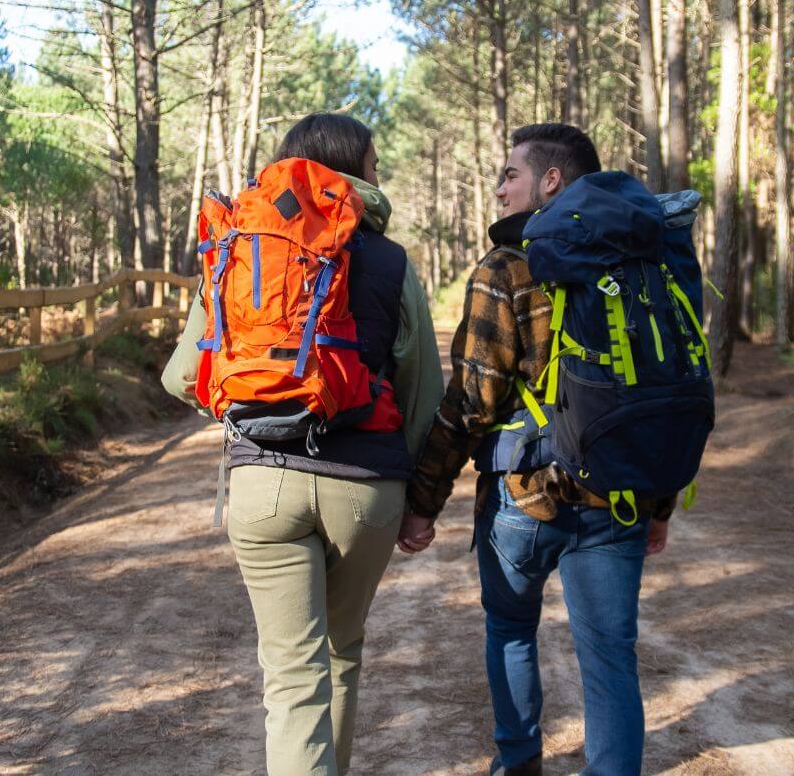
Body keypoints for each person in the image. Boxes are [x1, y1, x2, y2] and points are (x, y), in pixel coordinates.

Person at [161, 113, 442, 776]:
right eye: (375, 164)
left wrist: (253, 408)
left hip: (263, 483)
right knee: (341, 652)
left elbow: (182, 377)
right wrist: (418, 495)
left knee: (291, 674)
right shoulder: (392, 262)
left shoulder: (244, 244)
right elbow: (424, 392)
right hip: (366, 487)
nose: (380, 176)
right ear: (357, 169)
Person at [402, 123, 683, 776]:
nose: (499, 187)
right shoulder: (642, 263)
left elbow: (471, 398)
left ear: (549, 181)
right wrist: (660, 499)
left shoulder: (506, 266)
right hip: (618, 495)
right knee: (611, 654)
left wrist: (423, 498)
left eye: (510, 173)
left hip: (522, 496)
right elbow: (664, 389)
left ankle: (519, 761)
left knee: (510, 630)